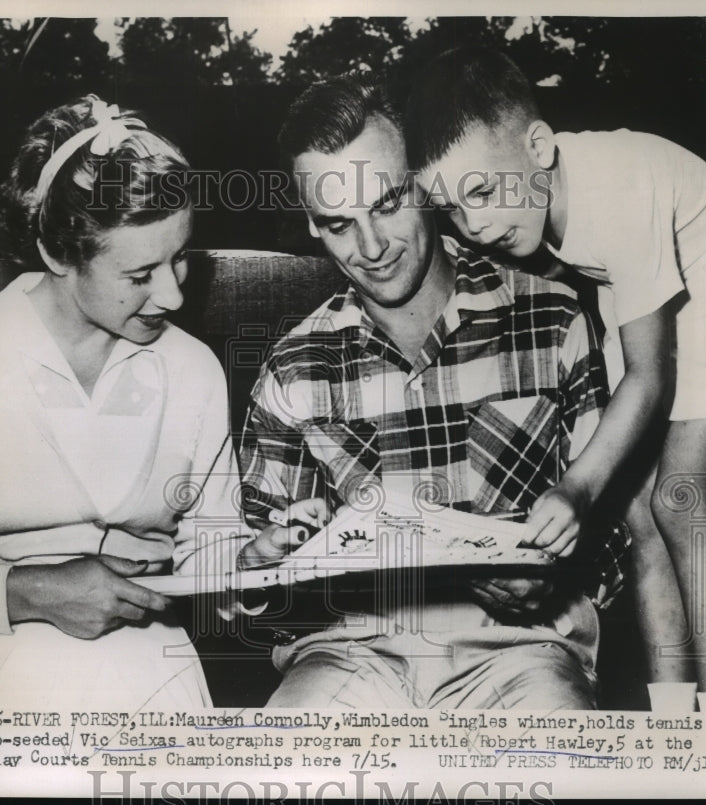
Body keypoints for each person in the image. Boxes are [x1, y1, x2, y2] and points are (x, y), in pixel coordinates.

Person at [0, 95, 250, 708]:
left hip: (146, 665)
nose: (172, 296)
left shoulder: (192, 370)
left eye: (180, 257)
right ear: (58, 254)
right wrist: (25, 591)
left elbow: (212, 558)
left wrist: (251, 563)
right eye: (139, 276)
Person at [406, 46, 706, 711]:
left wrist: (575, 488)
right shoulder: (526, 189)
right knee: (638, 513)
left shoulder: (615, 192)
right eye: (450, 209)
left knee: (683, 497)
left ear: (540, 146)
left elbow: (649, 374)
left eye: (483, 194)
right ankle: (672, 722)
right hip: (643, 280)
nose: (474, 224)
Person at [237, 76, 619, 709]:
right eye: (339, 224)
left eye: (387, 204)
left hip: (523, 651)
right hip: (348, 653)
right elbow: (259, 587)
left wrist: (558, 575)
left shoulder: (553, 321)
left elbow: (617, 536)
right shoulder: (292, 369)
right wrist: (267, 563)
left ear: (425, 184)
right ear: (311, 224)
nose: (372, 247)